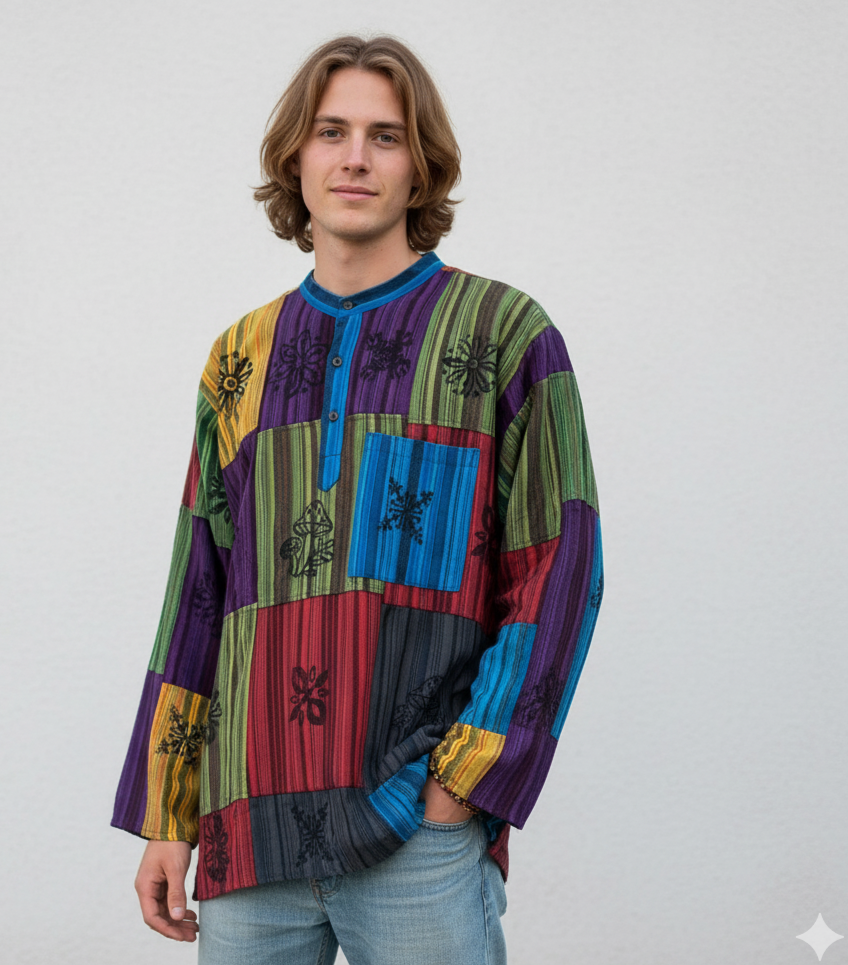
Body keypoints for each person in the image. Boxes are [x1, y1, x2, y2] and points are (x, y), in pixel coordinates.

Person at [112, 33, 603, 965]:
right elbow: (199, 593)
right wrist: (167, 813)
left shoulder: (503, 333)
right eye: (331, 131)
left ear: (421, 167)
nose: (354, 158)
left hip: (414, 833)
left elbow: (560, 570)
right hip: (248, 830)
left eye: (385, 136)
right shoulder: (238, 358)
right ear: (294, 158)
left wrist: (461, 785)